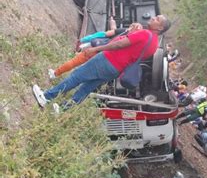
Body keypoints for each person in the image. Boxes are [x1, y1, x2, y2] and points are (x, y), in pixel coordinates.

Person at [32, 15, 171, 109]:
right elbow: (131, 50)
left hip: (107, 59)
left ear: (160, 28)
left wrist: (97, 49)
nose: (153, 18)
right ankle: (63, 109)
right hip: (115, 70)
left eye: (157, 19)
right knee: (86, 88)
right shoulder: (153, 45)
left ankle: (46, 97)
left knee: (76, 76)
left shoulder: (145, 34)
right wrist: (132, 31)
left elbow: (119, 44)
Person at [48, 21, 143, 79]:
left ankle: (55, 74)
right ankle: (65, 86)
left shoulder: (123, 31)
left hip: (96, 50)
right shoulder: (133, 43)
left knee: (74, 62)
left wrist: (85, 40)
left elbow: (105, 34)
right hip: (105, 60)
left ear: (131, 26)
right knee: (81, 72)